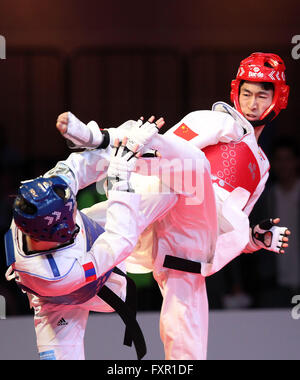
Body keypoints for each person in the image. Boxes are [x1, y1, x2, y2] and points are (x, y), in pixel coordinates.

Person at [55, 52, 291, 360]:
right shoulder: (219, 120)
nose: (253, 102)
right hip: (165, 201)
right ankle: (95, 144)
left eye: (262, 95)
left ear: (278, 99)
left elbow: (230, 227)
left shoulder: (263, 166)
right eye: (247, 93)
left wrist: (254, 239)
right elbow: (168, 149)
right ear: (236, 92)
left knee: (188, 332)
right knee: (156, 157)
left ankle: (105, 144)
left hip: (190, 243)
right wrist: (135, 144)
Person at [3, 120, 171, 360]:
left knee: (166, 187)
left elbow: (77, 167)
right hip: (88, 290)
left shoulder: (36, 201)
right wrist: (119, 181)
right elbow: (119, 241)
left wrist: (120, 141)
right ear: (60, 229)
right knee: (133, 215)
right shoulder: (58, 272)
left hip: (91, 232)